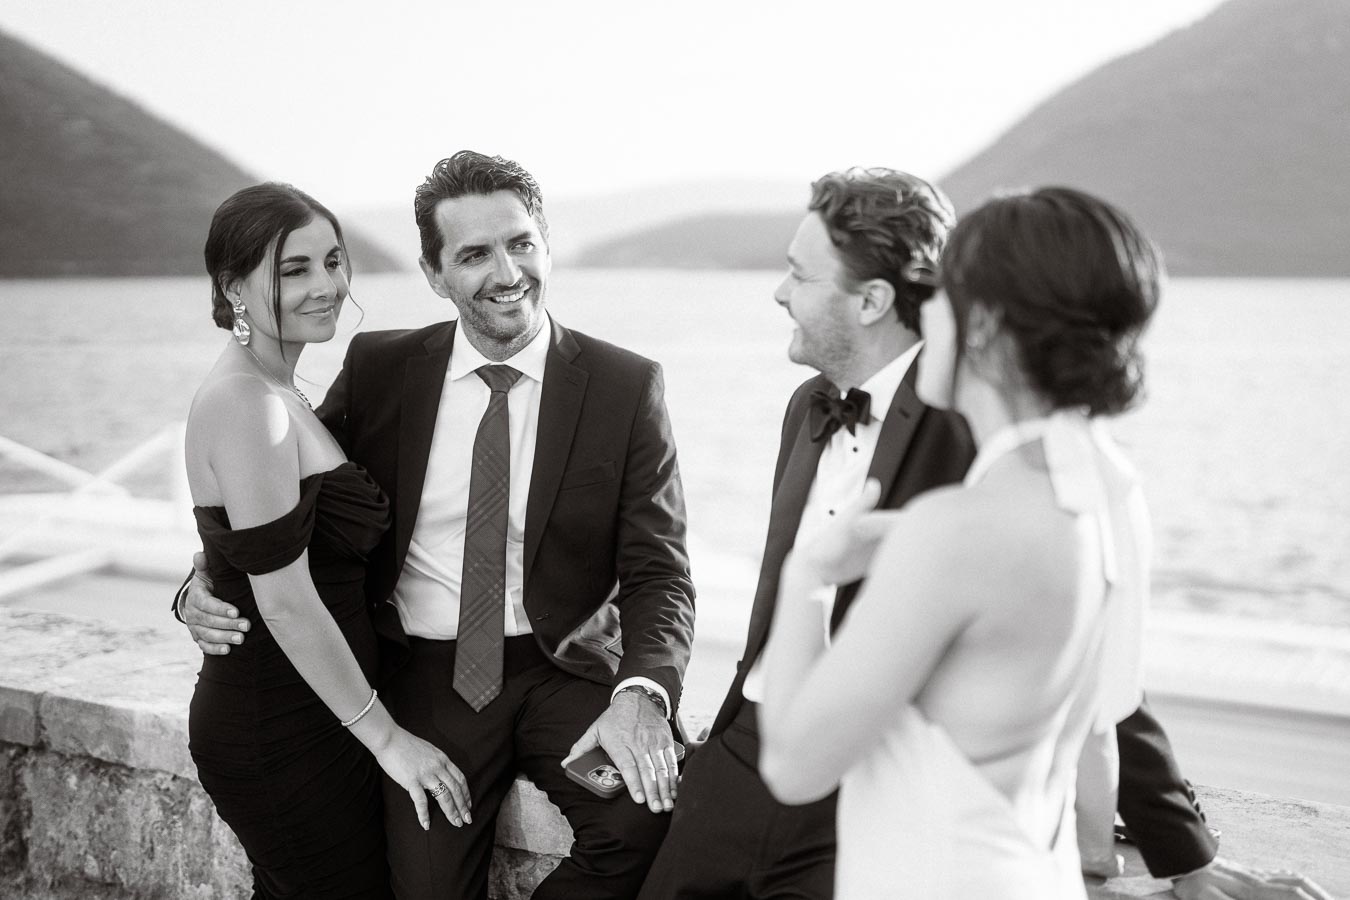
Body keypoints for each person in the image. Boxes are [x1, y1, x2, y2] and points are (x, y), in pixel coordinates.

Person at [638, 171, 1330, 900]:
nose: (928, 310)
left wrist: (1181, 852)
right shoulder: (1098, 488)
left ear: (989, 327)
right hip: (785, 779)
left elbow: (1106, 699)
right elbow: (1091, 685)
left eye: (947, 299)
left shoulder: (965, 504)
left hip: (864, 814)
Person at [181, 152, 695, 900]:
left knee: (646, 821)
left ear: (546, 243)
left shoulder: (626, 385)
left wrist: (644, 694)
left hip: (566, 673)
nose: (507, 271)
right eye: (475, 254)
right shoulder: (383, 368)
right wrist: (196, 580)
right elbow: (269, 503)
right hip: (425, 677)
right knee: (424, 887)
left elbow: (660, 570)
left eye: (521, 243)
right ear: (434, 273)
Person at [186, 183, 469, 899]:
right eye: (294, 270)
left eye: (334, 262)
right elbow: (283, 602)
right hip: (280, 728)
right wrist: (389, 741)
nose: (327, 286)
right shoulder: (246, 402)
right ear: (234, 288)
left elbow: (243, 546)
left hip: (323, 712)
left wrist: (195, 583)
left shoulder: (284, 393)